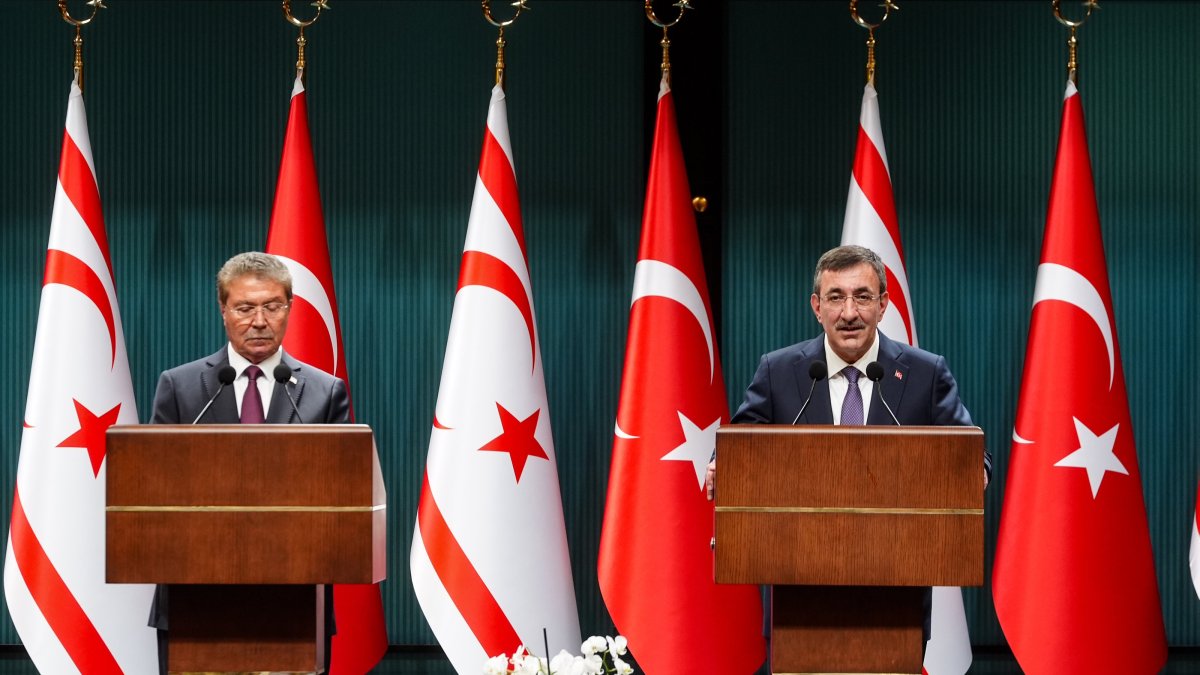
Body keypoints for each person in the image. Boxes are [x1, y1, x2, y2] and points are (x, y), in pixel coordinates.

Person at [705, 244, 990, 648]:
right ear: (816, 306)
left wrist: (974, 472)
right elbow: (744, 444)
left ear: (883, 304)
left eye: (862, 297)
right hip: (797, 602)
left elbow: (971, 454)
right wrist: (722, 464)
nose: (849, 313)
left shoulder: (925, 373)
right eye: (836, 297)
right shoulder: (780, 370)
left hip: (896, 605)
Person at [148, 251, 349, 674]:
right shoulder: (180, 387)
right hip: (195, 601)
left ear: (289, 309)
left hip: (293, 604)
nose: (259, 320)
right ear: (223, 310)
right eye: (244, 308)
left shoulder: (323, 392)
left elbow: (341, 499)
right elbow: (154, 492)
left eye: (272, 306)